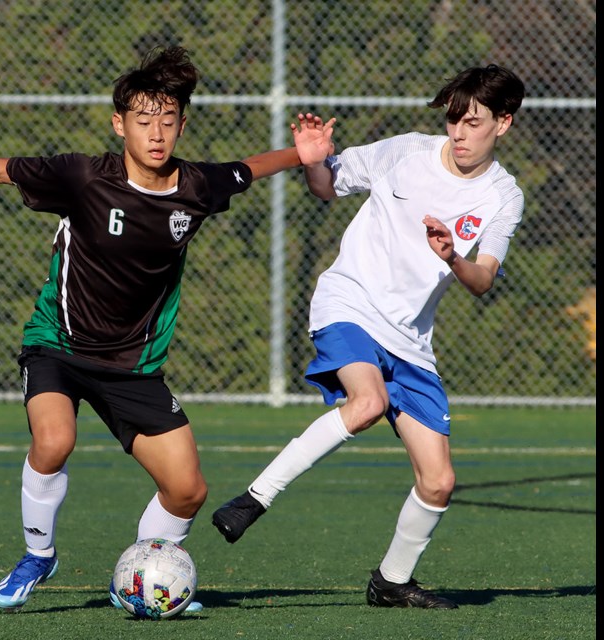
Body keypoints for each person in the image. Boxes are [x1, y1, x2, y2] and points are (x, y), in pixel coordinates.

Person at [0, 45, 336, 612]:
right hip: (57, 347)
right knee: (54, 440)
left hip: (133, 367)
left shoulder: (198, 186)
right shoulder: (84, 176)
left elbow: (249, 169)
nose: (156, 133)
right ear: (120, 124)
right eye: (143, 121)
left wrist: (302, 152)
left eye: (168, 121)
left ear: (183, 125)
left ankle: (142, 579)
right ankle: (38, 555)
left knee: (187, 490)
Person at [211, 64, 526, 610]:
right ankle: (254, 498)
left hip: (410, 340)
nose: (459, 133)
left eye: (473, 123)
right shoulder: (405, 152)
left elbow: (484, 280)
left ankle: (391, 581)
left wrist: (453, 257)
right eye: (453, 120)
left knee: (439, 482)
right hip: (349, 303)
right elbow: (327, 186)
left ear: (504, 123)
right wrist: (313, 161)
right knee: (367, 401)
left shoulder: (503, 196)